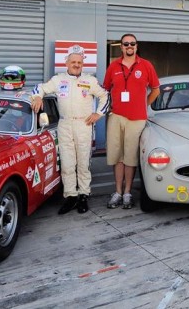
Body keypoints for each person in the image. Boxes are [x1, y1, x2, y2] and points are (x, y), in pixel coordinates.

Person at [31, 45, 110, 215]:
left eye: (79, 62)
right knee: (67, 163)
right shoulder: (58, 80)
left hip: (84, 125)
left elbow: (105, 96)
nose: (76, 65)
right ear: (66, 63)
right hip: (65, 124)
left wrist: (98, 113)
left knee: (83, 163)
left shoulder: (90, 80)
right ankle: (70, 196)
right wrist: (37, 96)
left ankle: (83, 195)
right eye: (73, 62)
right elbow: (40, 88)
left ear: (83, 64)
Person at [104, 34, 160, 209]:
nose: (129, 46)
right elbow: (105, 89)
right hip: (116, 117)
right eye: (126, 44)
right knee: (117, 156)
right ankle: (118, 192)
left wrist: (143, 105)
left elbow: (156, 90)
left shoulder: (146, 65)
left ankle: (127, 192)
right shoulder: (113, 66)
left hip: (137, 119)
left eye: (132, 44)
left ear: (136, 46)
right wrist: (109, 108)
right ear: (121, 47)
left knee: (130, 157)